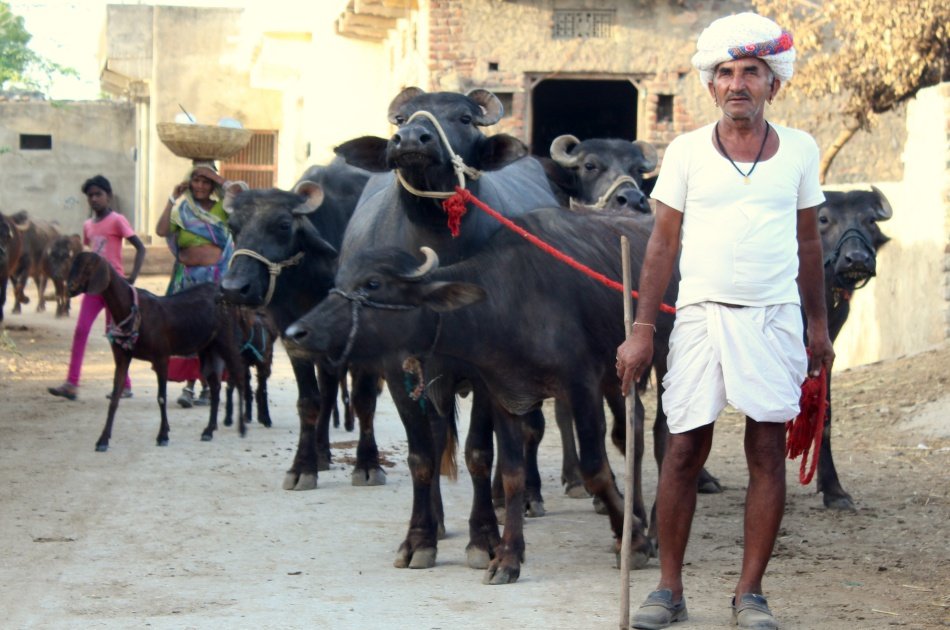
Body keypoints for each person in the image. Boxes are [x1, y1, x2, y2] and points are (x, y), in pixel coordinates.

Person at [615, 12, 835, 630]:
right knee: (683, 448)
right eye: (727, 73)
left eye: (752, 72)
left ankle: (750, 593)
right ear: (711, 85)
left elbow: (809, 242)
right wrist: (641, 331)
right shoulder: (686, 151)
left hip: (773, 318)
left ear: (773, 84)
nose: (738, 83)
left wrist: (818, 327)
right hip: (699, 318)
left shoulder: (799, 149)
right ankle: (669, 589)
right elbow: (662, 243)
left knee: (766, 450)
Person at [48, 175, 146, 401]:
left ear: (108, 196)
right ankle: (71, 384)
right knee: (81, 330)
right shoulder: (88, 225)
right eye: (90, 195)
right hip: (93, 287)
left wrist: (132, 277)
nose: (94, 199)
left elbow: (140, 248)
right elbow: (89, 254)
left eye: (98, 194)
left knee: (116, 335)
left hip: (115, 288)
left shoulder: (117, 220)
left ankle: (124, 385)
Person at [155, 161, 241, 408]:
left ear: (213, 185)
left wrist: (219, 177)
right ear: (189, 183)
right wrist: (172, 198)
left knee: (213, 330)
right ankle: (189, 386)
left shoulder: (223, 209)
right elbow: (161, 230)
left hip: (215, 279)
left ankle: (208, 386)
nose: (200, 185)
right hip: (189, 279)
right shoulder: (182, 210)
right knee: (189, 329)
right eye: (196, 180)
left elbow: (242, 197)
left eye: (206, 181)